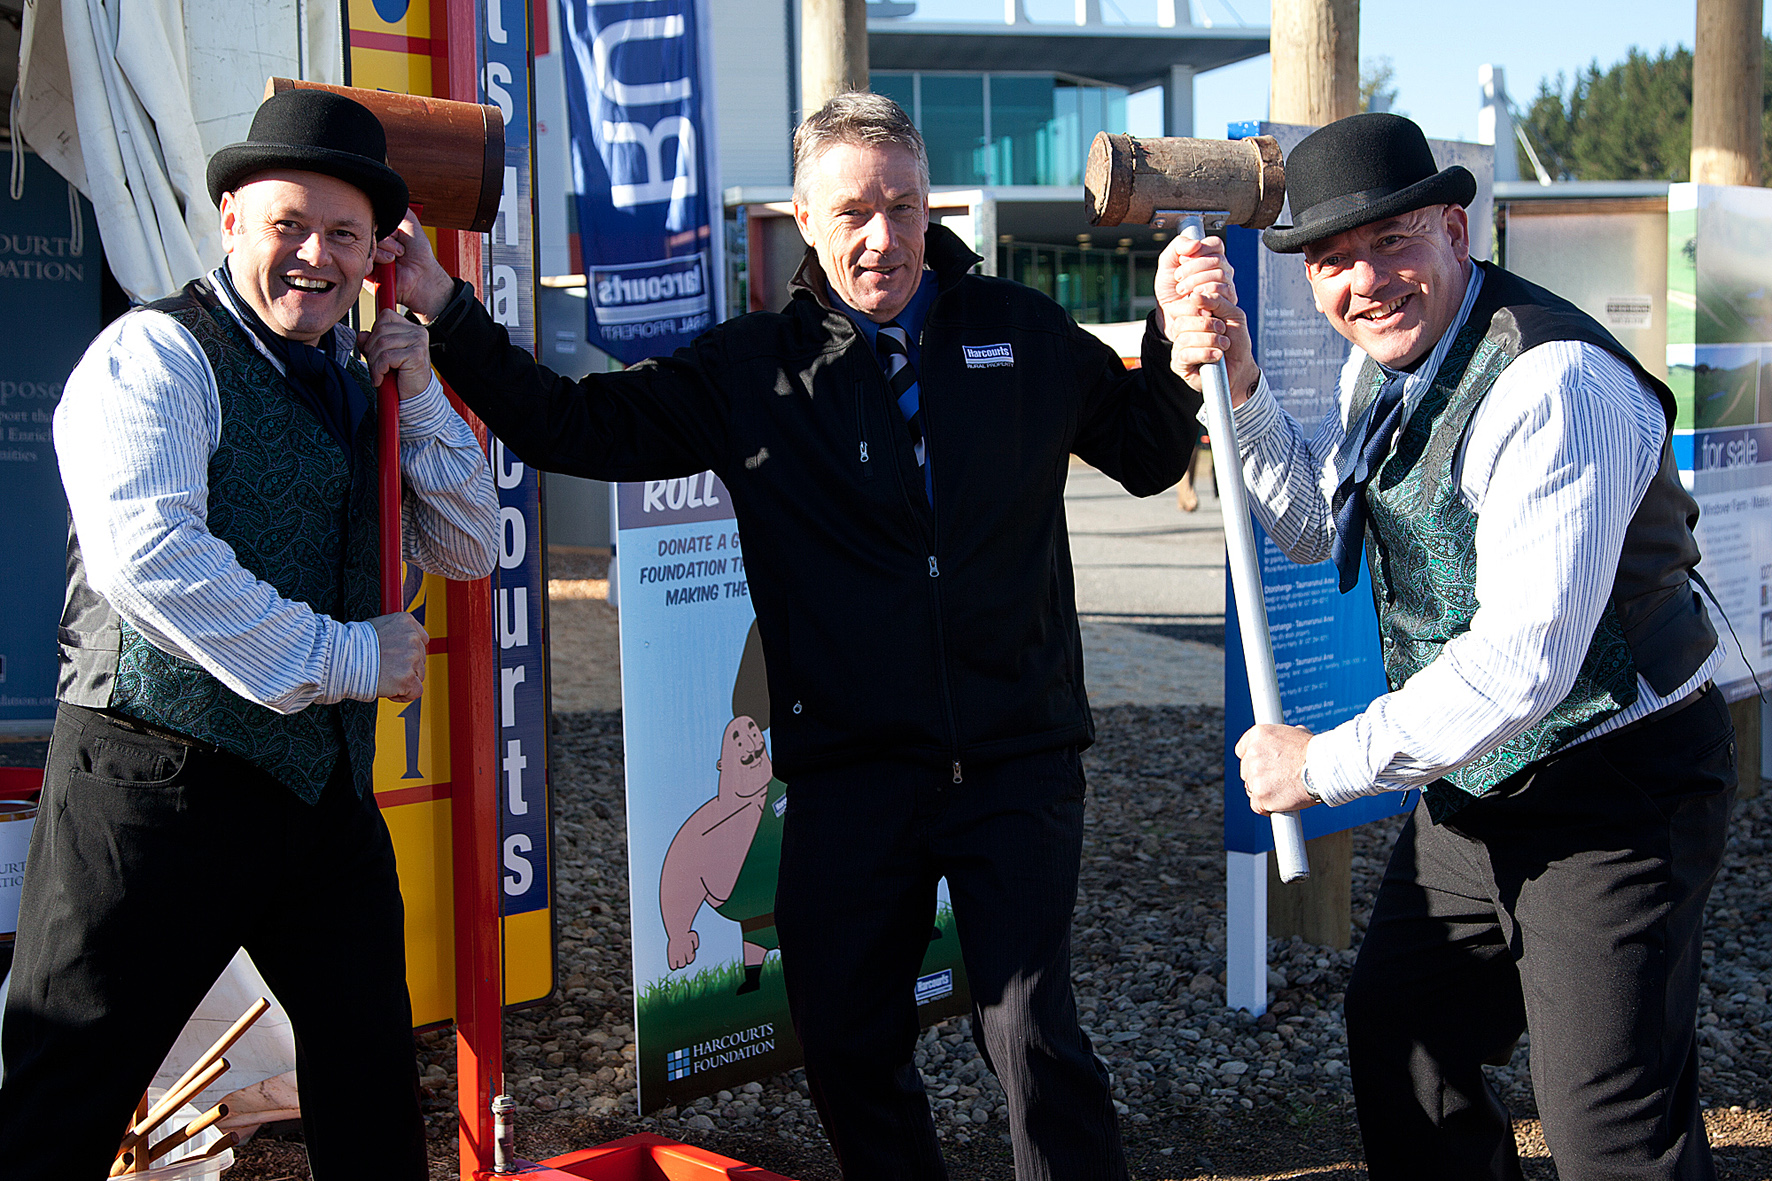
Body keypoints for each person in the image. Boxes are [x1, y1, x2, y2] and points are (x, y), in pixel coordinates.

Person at [386, 90, 1200, 1180]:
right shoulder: (751, 371)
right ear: (804, 220)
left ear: (928, 207)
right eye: (855, 210)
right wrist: (448, 310)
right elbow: (564, 423)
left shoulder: (1020, 331)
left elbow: (1147, 454)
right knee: (843, 1035)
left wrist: (1174, 342)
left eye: (903, 206)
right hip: (851, 768)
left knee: (1029, 1031)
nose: (884, 235)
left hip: (1017, 753)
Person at [1172, 112, 1733, 1180]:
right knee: (1402, 1039)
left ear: (1452, 230)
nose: (1364, 280)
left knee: (1609, 1122)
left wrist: (1320, 765)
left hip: (1617, 779)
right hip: (1479, 776)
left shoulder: (1549, 384)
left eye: (1391, 242)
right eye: (1333, 258)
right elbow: (1311, 524)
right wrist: (1236, 382)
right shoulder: (1378, 368)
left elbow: (1523, 662)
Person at [0, 89, 500, 1180]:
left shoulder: (362, 374)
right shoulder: (155, 357)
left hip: (316, 794)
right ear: (230, 220)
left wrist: (416, 391)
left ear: (377, 253)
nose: (315, 256)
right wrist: (354, 656)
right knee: (66, 1088)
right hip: (152, 783)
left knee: (368, 1080)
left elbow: (468, 542)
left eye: (344, 234)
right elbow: (155, 563)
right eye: (289, 224)